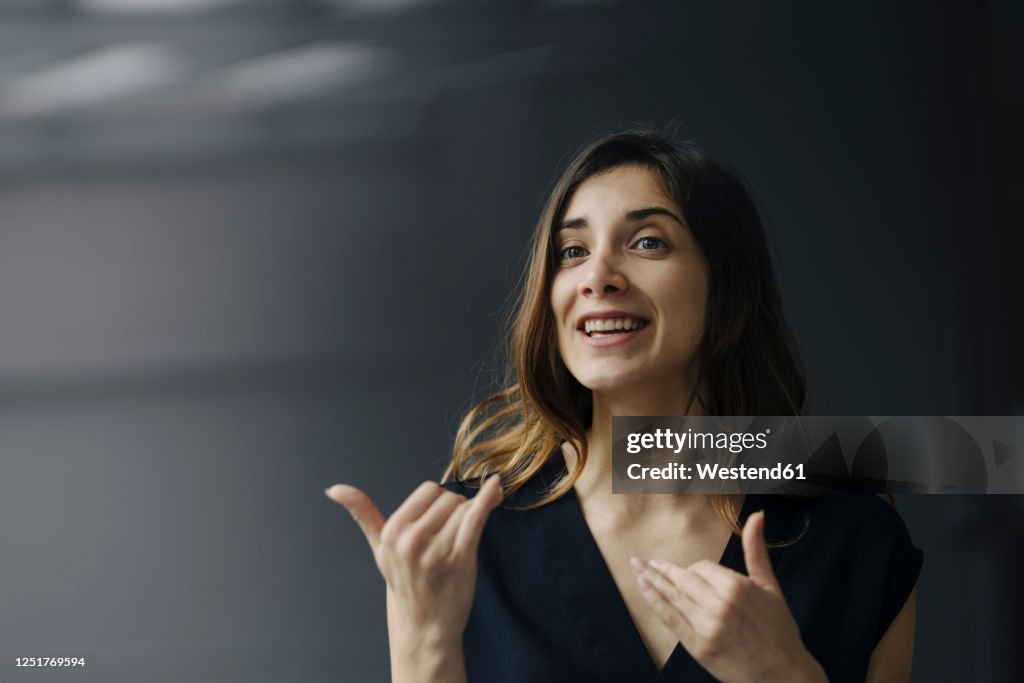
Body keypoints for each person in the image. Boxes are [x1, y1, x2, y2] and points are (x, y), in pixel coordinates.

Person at [325, 129, 923, 682]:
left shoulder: (855, 541)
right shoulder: (461, 544)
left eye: (646, 242)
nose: (598, 276)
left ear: (726, 290)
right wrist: (423, 644)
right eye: (572, 251)